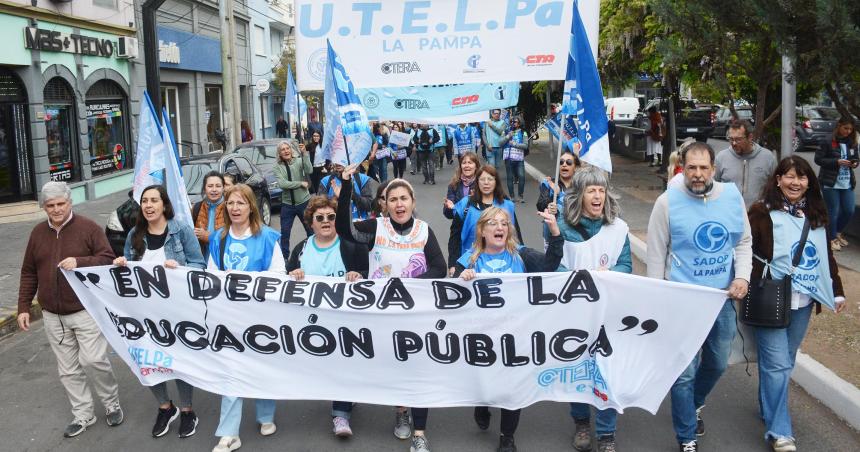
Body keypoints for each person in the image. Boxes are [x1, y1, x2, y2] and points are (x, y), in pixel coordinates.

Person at [646, 142, 752, 452]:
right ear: (682, 167)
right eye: (691, 167)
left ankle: (694, 404)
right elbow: (655, 257)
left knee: (718, 363)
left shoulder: (731, 198)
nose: (697, 174)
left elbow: (743, 241)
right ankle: (686, 436)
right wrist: (658, 303)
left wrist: (742, 276)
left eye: (703, 168)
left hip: (720, 300)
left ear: (714, 169)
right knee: (684, 373)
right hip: (681, 302)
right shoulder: (667, 203)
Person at [335, 172, 447, 452]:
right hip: (381, 315)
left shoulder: (423, 229)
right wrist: (347, 185)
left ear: (412, 201)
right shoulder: (376, 227)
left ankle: (419, 433)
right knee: (394, 369)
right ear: (384, 204)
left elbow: (439, 268)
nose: (399, 204)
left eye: (404, 199)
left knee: (417, 370)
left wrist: (405, 287)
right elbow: (345, 230)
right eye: (393, 199)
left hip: (415, 314)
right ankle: (400, 409)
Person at [747, 156, 846, 452]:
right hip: (770, 298)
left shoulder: (816, 214)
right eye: (789, 176)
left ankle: (769, 408)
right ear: (777, 180)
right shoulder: (761, 212)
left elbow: (825, 256)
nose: (795, 182)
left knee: (784, 362)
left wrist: (836, 291)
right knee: (777, 365)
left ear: (809, 182)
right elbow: (744, 251)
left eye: (801, 177)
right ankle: (780, 432)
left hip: (803, 301)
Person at [17, 181, 123, 438]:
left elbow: (107, 259)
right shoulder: (37, 233)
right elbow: (29, 272)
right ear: (44, 207)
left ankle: (112, 404)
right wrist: (23, 307)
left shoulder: (88, 228)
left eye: (60, 204)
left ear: (70, 202)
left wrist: (81, 262)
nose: (56, 209)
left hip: (84, 309)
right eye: (50, 205)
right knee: (67, 369)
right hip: (52, 315)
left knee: (94, 360)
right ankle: (83, 414)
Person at [454, 206, 563, 452]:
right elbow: (451, 295)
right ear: (482, 230)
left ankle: (507, 437)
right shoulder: (469, 259)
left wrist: (555, 232)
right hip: (481, 338)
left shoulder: (521, 255)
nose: (500, 227)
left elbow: (550, 266)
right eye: (493, 223)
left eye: (504, 223)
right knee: (486, 384)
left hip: (515, 336)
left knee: (512, 388)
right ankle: (482, 404)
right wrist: (462, 278)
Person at [114, 184, 205, 438]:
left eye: (154, 200)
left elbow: (200, 265)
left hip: (177, 311)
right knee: (151, 362)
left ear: (164, 205)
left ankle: (187, 411)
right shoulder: (135, 234)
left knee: (179, 362)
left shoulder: (181, 230)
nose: (149, 205)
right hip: (145, 315)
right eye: (145, 201)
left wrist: (180, 270)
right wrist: (122, 265)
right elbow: (129, 276)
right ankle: (166, 407)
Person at [556, 168, 631, 452]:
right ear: (579, 195)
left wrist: (607, 273)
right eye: (590, 190)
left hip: (608, 311)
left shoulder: (619, 228)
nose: (597, 195)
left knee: (607, 370)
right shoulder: (563, 227)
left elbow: (626, 265)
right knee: (579, 368)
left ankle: (607, 433)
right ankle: (581, 422)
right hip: (575, 313)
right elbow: (556, 266)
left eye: (600, 190)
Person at [208, 184, 285, 452]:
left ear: (251, 206)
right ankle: (229, 433)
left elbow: (278, 274)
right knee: (231, 371)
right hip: (229, 317)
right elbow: (211, 277)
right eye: (230, 204)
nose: (235, 208)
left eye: (241, 203)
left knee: (261, 367)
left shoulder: (267, 237)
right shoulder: (218, 238)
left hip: (261, 317)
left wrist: (245, 282)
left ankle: (265, 415)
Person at [286, 196, 368, 438]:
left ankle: (340, 415)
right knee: (326, 368)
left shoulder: (352, 245)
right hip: (313, 323)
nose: (325, 221)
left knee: (342, 364)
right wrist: (293, 273)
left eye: (331, 217)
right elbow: (285, 279)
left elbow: (367, 276)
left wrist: (358, 275)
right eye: (319, 218)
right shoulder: (301, 249)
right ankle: (345, 396)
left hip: (345, 321)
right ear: (310, 222)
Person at [449, 165, 523, 277]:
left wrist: (522, 256)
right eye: (482, 179)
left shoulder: (507, 205)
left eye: (490, 179)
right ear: (477, 182)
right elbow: (455, 236)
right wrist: (453, 264)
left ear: (496, 182)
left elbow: (516, 234)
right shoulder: (465, 206)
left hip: (506, 265)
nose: (486, 183)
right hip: (471, 266)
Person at [815, 116, 859, 251]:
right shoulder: (828, 140)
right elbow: (818, 159)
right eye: (846, 128)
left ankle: (838, 232)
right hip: (830, 182)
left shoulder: (852, 142)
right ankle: (831, 238)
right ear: (839, 125)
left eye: (851, 129)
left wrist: (855, 163)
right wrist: (836, 162)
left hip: (846, 181)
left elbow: (856, 157)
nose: (848, 131)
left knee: (849, 210)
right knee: (833, 211)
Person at [715, 120, 777, 207]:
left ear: (750, 137)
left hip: (757, 215)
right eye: (731, 139)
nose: (734, 143)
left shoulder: (768, 157)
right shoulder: (721, 158)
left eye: (738, 139)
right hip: (729, 213)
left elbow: (775, 187)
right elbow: (713, 187)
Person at [273, 139, 313, 259]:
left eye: (287, 148)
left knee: (311, 231)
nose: (286, 151)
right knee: (285, 234)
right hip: (287, 205)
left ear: (291, 149)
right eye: (283, 150)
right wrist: (300, 183)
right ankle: (284, 259)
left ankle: (312, 254)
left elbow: (309, 170)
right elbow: (283, 184)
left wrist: (305, 154)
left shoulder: (299, 161)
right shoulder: (277, 167)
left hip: (304, 202)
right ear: (279, 153)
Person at [192, 171, 226, 262]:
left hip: (222, 260)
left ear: (223, 188)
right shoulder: (196, 208)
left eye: (218, 186)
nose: (214, 189)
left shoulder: (230, 208)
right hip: (202, 259)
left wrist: (209, 236)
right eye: (210, 186)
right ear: (204, 188)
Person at [443, 152, 480, 219]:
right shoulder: (454, 185)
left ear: (476, 166)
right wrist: (449, 208)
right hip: (459, 226)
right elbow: (448, 215)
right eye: (464, 163)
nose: (466, 165)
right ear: (460, 166)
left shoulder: (482, 184)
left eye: (470, 163)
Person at [502, 117, 529, 203]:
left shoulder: (523, 132)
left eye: (516, 122)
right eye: (512, 122)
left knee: (521, 176)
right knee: (510, 177)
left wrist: (514, 144)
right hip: (508, 158)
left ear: (520, 123)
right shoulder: (506, 131)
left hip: (519, 158)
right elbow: (500, 142)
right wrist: (507, 136)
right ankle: (512, 196)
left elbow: (525, 146)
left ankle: (520, 196)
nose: (513, 123)